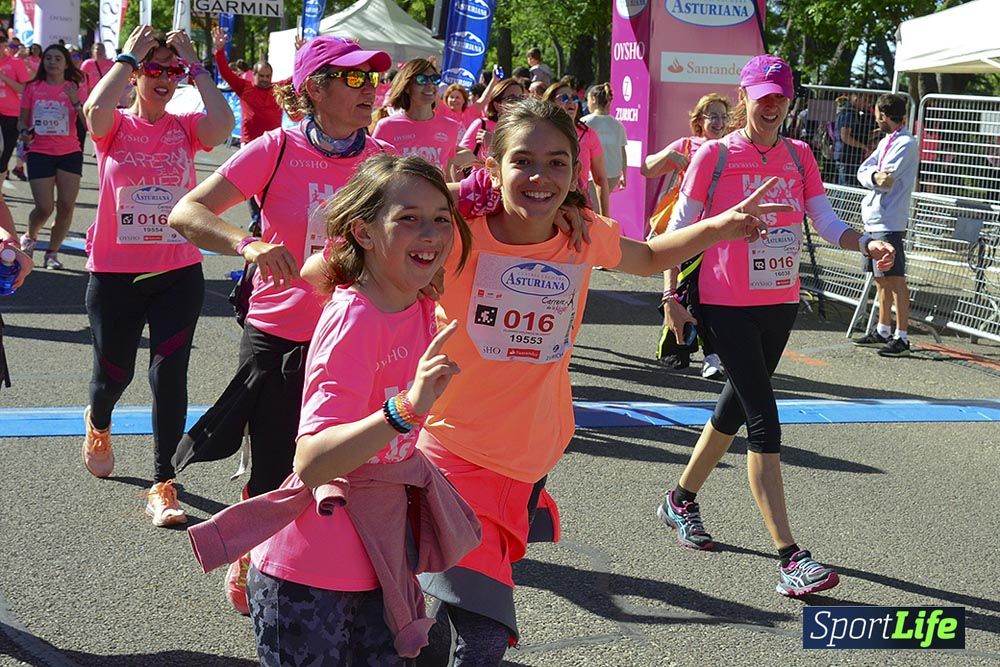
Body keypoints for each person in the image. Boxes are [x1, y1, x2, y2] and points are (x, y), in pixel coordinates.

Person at [342, 97, 784, 665]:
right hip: (453, 453)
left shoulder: (581, 233)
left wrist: (720, 226)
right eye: (522, 161)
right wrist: (442, 204)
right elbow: (345, 263)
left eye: (557, 163)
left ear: (577, 171)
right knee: (482, 631)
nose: (540, 177)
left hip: (531, 455)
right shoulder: (455, 233)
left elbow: (647, 257)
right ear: (491, 165)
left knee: (443, 619)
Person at [185, 154, 481, 666]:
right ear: (364, 233)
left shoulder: (416, 306)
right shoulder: (354, 319)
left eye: (440, 217)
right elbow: (313, 462)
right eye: (407, 217)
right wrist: (406, 409)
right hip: (311, 580)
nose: (430, 232)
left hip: (381, 565)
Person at [167, 34, 394, 615]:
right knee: (273, 464)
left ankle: (346, 575)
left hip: (358, 335)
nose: (370, 89)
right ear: (315, 89)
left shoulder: (382, 161)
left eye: (373, 79)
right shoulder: (274, 148)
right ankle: (257, 559)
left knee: (357, 465)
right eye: (356, 79)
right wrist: (248, 244)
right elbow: (186, 213)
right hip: (281, 335)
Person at [655, 55, 895, 598]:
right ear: (744, 97)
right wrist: (670, 295)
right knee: (764, 416)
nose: (771, 105)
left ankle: (680, 499)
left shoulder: (800, 154)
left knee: (734, 405)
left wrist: (865, 243)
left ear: (790, 101)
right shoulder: (714, 156)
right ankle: (791, 557)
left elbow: (825, 220)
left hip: (780, 303)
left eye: (780, 97)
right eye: (761, 96)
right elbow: (679, 227)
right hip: (723, 302)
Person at [79, 25, 233, 524]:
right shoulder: (116, 126)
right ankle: (98, 421)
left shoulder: (184, 127)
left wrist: (198, 66)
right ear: (137, 73)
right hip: (115, 273)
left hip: (177, 272)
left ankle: (163, 483)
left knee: (170, 378)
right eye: (155, 68)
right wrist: (128, 56)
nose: (164, 78)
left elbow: (222, 124)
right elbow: (92, 111)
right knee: (113, 374)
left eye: (172, 70)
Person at [644, 93, 732, 379]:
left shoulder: (731, 147)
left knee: (706, 294)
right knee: (685, 292)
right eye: (712, 116)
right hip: (685, 230)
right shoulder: (686, 145)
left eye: (723, 116)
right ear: (699, 121)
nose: (718, 122)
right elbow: (647, 169)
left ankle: (710, 353)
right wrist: (668, 156)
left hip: (718, 232)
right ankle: (678, 348)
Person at [852, 93, 918, 357]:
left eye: (877, 113)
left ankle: (902, 336)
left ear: (883, 114)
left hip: (889, 220)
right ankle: (883, 329)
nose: (875, 118)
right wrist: (873, 176)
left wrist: (874, 176)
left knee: (896, 279)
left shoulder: (906, 142)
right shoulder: (886, 141)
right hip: (875, 219)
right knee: (880, 280)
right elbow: (866, 171)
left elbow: (886, 180)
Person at [17, 44, 89, 269]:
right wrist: (23, 132)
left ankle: (52, 253)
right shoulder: (33, 87)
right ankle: (30, 235)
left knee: (66, 206)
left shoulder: (74, 87)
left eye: (58, 58)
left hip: (69, 152)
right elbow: (22, 120)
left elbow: (88, 123)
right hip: (40, 151)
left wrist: (76, 101)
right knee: (45, 207)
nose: (52, 62)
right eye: (48, 58)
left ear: (66, 63)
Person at [212, 26, 285, 232]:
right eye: (261, 75)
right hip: (250, 144)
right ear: (254, 75)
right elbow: (225, 72)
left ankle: (266, 217)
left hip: (274, 144)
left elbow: (297, 77)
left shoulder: (277, 89)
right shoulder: (245, 87)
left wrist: (302, 51)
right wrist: (219, 50)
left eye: (268, 75)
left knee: (272, 183)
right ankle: (256, 218)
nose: (265, 79)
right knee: (251, 184)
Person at [372, 59, 467, 179]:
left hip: (435, 197)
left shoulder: (451, 127)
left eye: (435, 79)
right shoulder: (386, 127)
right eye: (421, 80)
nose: (430, 85)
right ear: (406, 87)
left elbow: (446, 172)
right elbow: (373, 174)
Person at [543, 79, 608, 215]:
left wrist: (606, 216)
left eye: (573, 98)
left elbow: (600, 179)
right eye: (564, 98)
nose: (571, 102)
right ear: (550, 103)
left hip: (580, 206)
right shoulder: (539, 133)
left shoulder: (588, 134)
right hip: (546, 204)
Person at [581, 82, 627, 206]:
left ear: (593, 99)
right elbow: (622, 151)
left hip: (591, 174)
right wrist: (624, 175)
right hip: (613, 173)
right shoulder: (618, 124)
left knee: (593, 208)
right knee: (601, 206)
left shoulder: (584, 122)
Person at [458, 77, 523, 160]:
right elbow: (459, 160)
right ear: (497, 104)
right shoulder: (481, 125)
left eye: (521, 97)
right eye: (511, 98)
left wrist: (495, 144)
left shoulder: (525, 128)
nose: (518, 102)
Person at [0, 32, 29, 181]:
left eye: (1, 40)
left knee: (4, 157)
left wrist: (4, 77)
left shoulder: (16, 63)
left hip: (10, 115)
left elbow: (24, 89)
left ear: (6, 43)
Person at [834, 92, 875, 186]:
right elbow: (845, 137)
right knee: (847, 190)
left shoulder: (852, 113)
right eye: (865, 100)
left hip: (849, 157)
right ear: (856, 99)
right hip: (846, 158)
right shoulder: (849, 114)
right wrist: (864, 147)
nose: (867, 104)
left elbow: (858, 136)